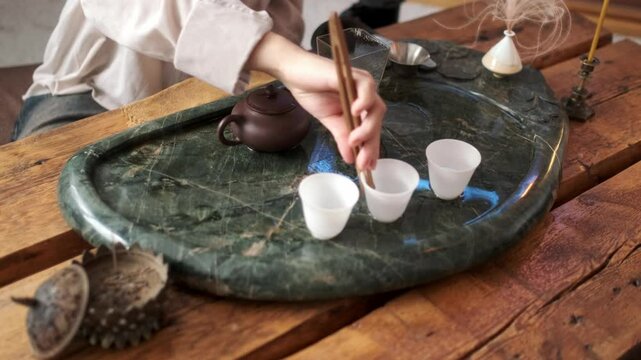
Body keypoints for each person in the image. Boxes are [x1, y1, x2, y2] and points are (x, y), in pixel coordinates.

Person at [13, 0, 386, 171]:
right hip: (92, 91)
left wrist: (290, 73)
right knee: (41, 204)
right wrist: (284, 59)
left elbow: (280, 11)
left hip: (212, 96)